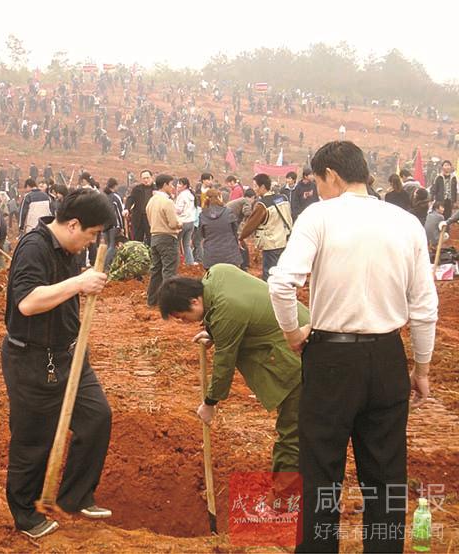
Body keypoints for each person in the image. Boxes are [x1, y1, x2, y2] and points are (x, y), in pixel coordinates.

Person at [268, 141, 438, 553]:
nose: (319, 191)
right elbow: (424, 307)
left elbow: (281, 282)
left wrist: (293, 333)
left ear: (332, 176)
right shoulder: (405, 222)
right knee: (385, 475)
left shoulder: (320, 216)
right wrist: (421, 369)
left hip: (330, 357)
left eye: (319, 182)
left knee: (321, 471)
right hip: (386, 357)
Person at [2, 189, 114, 539]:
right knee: (34, 440)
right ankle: (25, 514)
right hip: (32, 359)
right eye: (92, 234)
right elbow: (28, 302)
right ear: (74, 224)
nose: (91, 242)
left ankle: (75, 496)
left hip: (71, 354)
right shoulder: (34, 248)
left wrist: (79, 285)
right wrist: (79, 283)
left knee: (97, 416)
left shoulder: (69, 248)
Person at [158, 266, 309, 473]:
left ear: (194, 301)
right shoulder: (218, 273)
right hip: (299, 331)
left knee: (291, 431)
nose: (185, 322)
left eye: (184, 317)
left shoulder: (227, 311)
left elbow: (224, 362)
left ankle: (286, 495)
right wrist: (213, 333)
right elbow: (239, 314)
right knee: (304, 426)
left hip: (295, 357)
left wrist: (210, 402)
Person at [239, 173, 293, 280]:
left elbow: (251, 224)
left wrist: (241, 237)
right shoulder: (283, 198)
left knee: (269, 274)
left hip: (271, 244)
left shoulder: (262, 205)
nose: (254, 189)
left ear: (262, 187)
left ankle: (270, 295)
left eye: (255, 186)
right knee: (282, 271)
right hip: (284, 240)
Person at [146, 174, 181, 306]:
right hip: (167, 238)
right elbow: (173, 223)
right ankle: (168, 303)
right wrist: (180, 224)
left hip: (154, 238)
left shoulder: (151, 201)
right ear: (165, 185)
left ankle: (152, 301)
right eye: (171, 184)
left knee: (156, 271)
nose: (172, 187)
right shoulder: (167, 202)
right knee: (169, 271)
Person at [198, 188, 242, 270]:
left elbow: (202, 234)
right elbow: (235, 231)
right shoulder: (228, 212)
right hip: (230, 255)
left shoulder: (203, 215)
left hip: (211, 256)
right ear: (219, 197)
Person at [124, 169, 154, 244]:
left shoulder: (156, 189)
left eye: (147, 178)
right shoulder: (137, 189)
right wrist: (126, 209)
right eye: (144, 178)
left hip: (151, 218)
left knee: (151, 240)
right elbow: (130, 199)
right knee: (137, 240)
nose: (146, 180)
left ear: (152, 178)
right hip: (139, 218)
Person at [102, 178, 125, 270]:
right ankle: (106, 265)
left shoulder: (103, 197)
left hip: (105, 225)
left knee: (108, 245)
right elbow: (120, 212)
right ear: (115, 186)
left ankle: (109, 264)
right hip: (114, 225)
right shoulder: (115, 197)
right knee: (112, 245)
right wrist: (122, 226)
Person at [175, 178, 197, 266]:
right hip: (191, 222)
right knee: (186, 244)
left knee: (176, 243)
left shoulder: (182, 195)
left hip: (182, 222)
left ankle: (176, 263)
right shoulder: (191, 195)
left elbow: (179, 210)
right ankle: (190, 262)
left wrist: (172, 206)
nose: (177, 185)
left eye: (180, 184)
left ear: (185, 186)